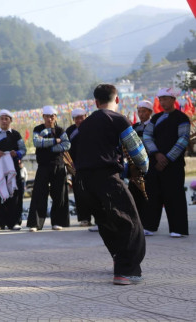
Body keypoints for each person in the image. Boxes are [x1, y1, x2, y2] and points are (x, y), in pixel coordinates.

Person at [75, 83, 148, 285]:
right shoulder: (118, 119)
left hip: (82, 182)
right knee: (130, 223)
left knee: (107, 222)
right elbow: (137, 150)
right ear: (117, 100)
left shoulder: (85, 123)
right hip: (106, 179)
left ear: (96, 102)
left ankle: (119, 261)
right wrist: (144, 168)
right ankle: (126, 272)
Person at [143, 88, 190, 238]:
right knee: (153, 194)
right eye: (161, 99)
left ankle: (177, 228)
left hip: (174, 164)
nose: (163, 102)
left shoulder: (182, 118)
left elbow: (183, 140)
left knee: (174, 195)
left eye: (166, 99)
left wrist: (168, 158)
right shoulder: (155, 119)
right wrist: (156, 154)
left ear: (173, 100)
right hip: (155, 162)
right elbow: (147, 136)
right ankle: (150, 226)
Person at [27, 105, 70, 232]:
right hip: (43, 166)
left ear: (55, 117)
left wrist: (50, 147)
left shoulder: (61, 130)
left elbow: (67, 145)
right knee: (39, 194)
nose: (50, 119)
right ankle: (36, 223)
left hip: (58, 165)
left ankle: (57, 222)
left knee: (59, 194)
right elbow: (36, 142)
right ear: (43, 117)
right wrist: (55, 141)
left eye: (52, 116)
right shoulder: (38, 129)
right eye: (47, 116)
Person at [0, 109, 27, 231]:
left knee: (14, 194)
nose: (4, 121)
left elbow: (23, 150)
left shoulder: (16, 134)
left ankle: (14, 222)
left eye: (6, 119)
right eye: (2, 118)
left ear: (10, 121)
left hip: (13, 169)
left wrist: (17, 153)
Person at [65, 107, 95, 229]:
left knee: (94, 192)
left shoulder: (92, 128)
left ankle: (99, 217)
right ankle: (84, 218)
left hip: (92, 165)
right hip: (76, 166)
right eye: (76, 118)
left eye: (81, 118)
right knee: (79, 193)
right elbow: (66, 148)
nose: (79, 120)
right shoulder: (70, 131)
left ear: (85, 117)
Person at [129, 100, 153, 235]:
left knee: (148, 194)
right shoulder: (135, 127)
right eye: (139, 111)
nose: (141, 114)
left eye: (144, 111)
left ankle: (147, 223)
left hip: (149, 163)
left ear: (150, 112)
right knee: (135, 193)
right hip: (136, 165)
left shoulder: (153, 126)